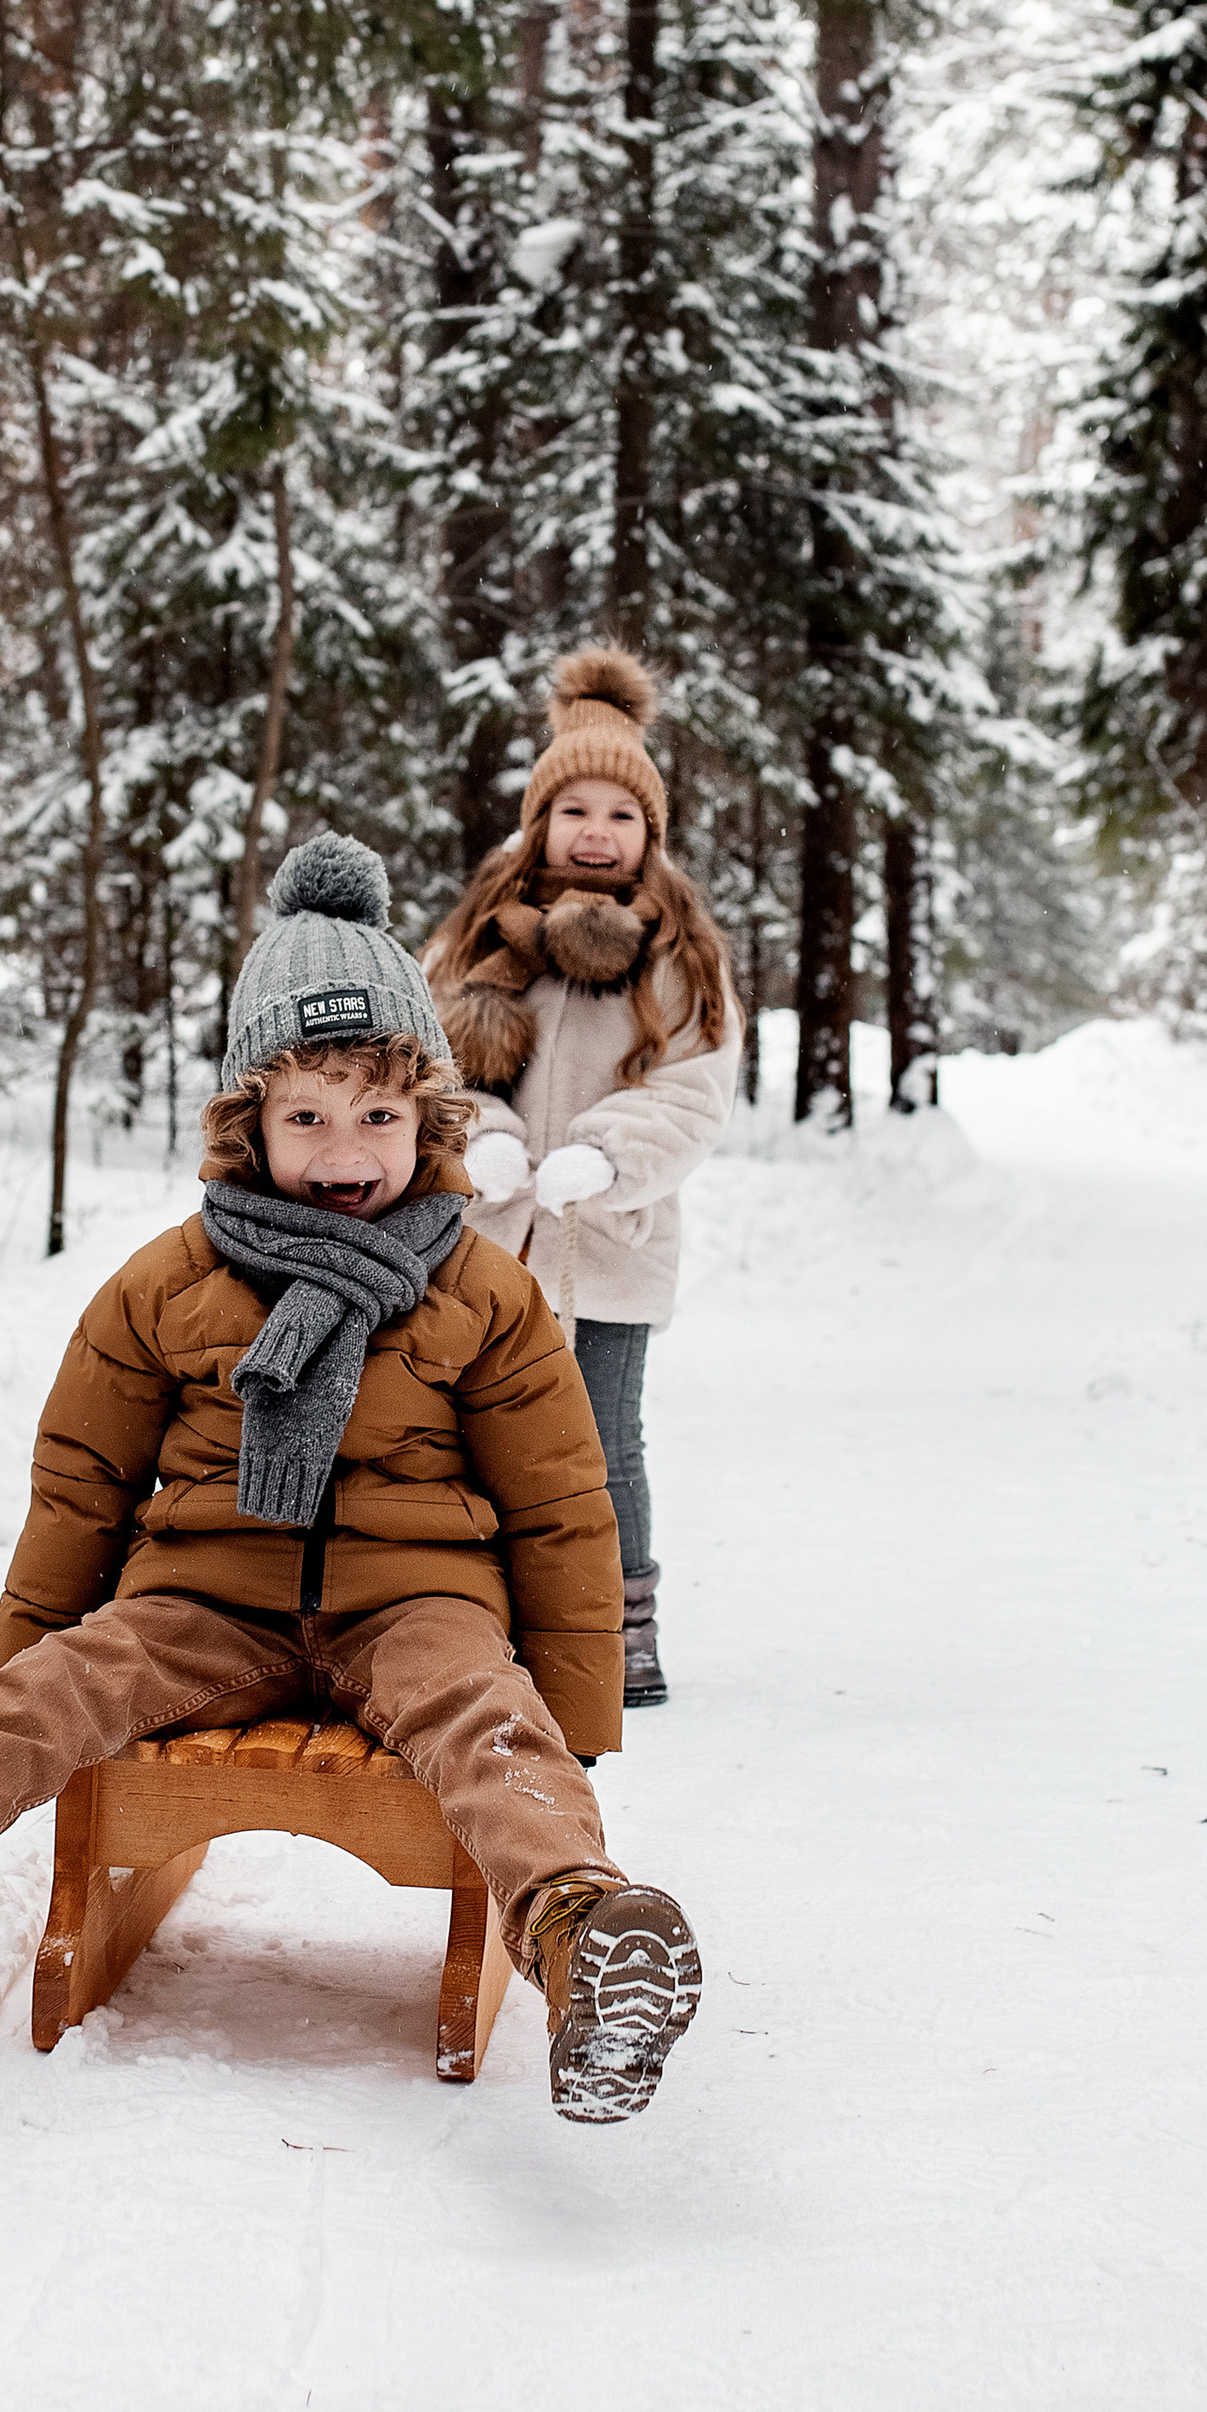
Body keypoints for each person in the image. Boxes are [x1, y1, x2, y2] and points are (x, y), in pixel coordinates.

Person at [0, 835, 702, 2125]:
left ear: (430, 1119)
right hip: (201, 1602)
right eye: (305, 1115)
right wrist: (24, 1672)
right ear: (249, 1125)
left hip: (421, 1606)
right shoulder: (168, 1285)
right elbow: (80, 1489)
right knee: (50, 1694)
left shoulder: (481, 1291)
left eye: (377, 1115)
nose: (343, 1148)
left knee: (489, 1724)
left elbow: (559, 1506)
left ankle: (584, 1944)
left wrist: (574, 1708)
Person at [427, 649, 741, 1707]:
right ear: (539, 822)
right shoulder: (478, 938)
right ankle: (480, 1619)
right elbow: (430, 1063)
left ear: (650, 834)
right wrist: (487, 1135)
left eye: (622, 813)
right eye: (575, 810)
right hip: (490, 1230)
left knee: (602, 1434)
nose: (597, 831)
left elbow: (696, 1089)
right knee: (476, 1428)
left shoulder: (678, 954)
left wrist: (604, 1154)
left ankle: (619, 1624)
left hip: (613, 1235)